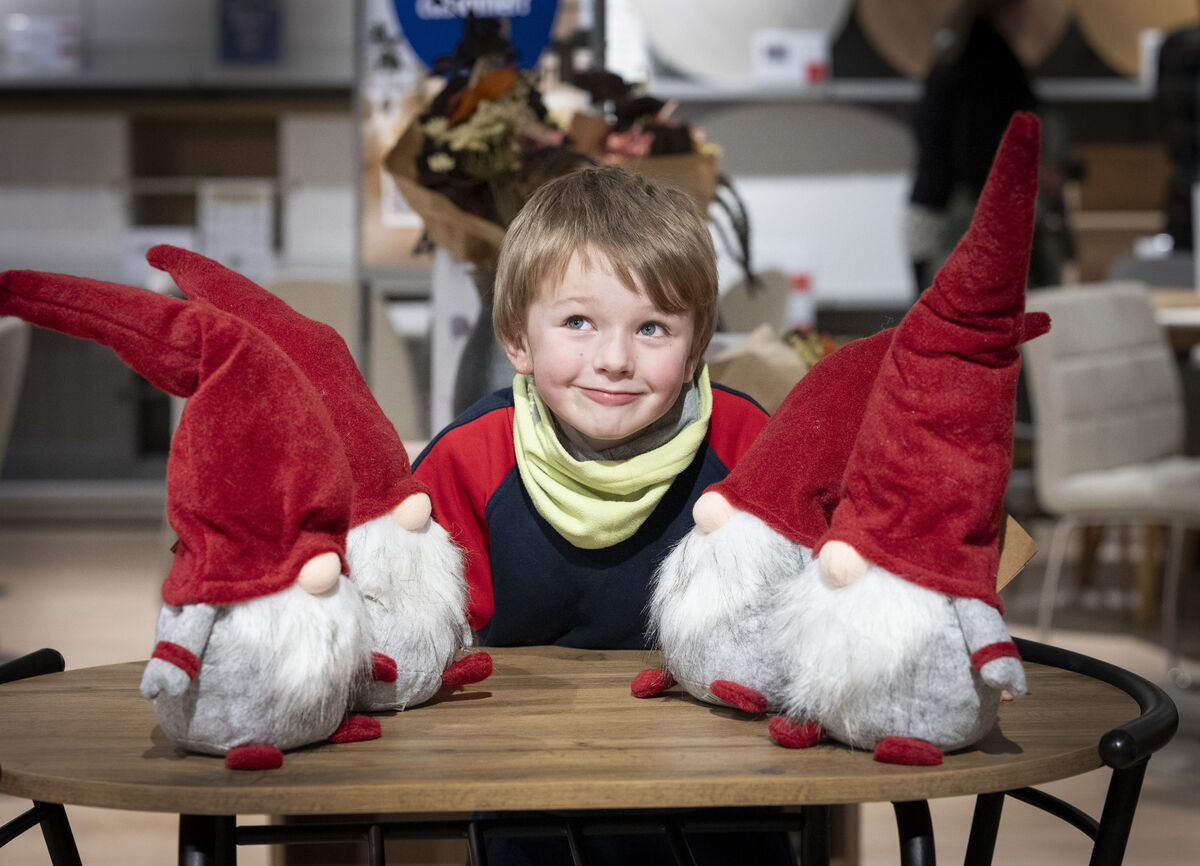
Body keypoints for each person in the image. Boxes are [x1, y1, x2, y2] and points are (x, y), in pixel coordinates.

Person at [412, 165, 789, 864]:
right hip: (528, 815)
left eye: (652, 327)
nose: (613, 360)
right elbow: (404, 626)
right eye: (578, 322)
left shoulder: (747, 445)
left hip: (726, 812)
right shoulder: (469, 458)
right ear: (517, 337)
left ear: (698, 342)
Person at [905, 0, 1066, 290]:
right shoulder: (993, 64)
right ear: (1014, 11)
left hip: (926, 209)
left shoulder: (953, 50)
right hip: (964, 220)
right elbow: (978, 152)